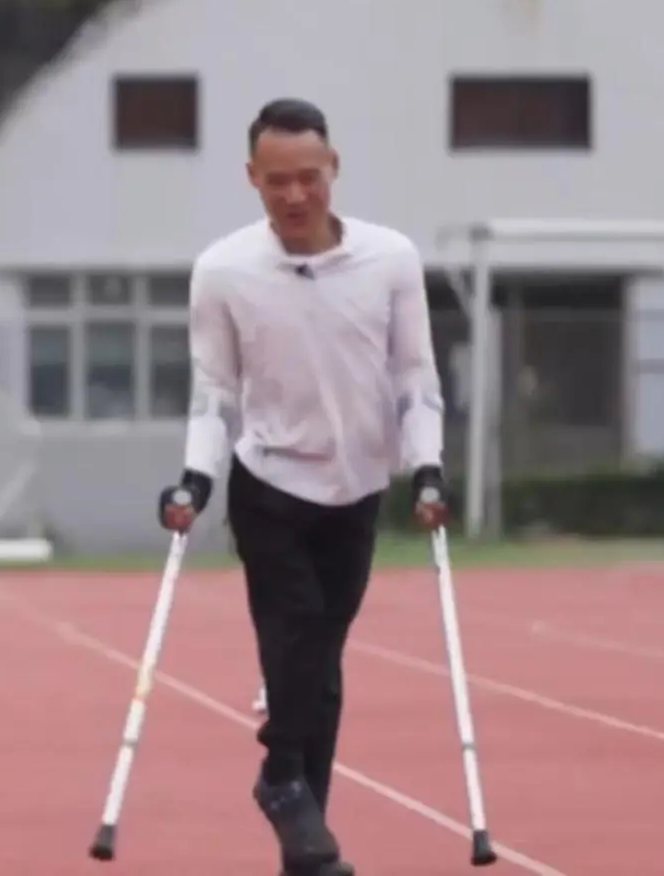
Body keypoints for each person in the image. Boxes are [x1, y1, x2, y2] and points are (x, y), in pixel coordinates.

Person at [155, 98, 448, 876]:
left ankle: (303, 835)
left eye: (308, 179)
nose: (293, 197)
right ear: (252, 178)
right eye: (276, 181)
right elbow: (213, 389)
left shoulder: (390, 260)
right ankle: (282, 777)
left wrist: (427, 466)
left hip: (358, 491)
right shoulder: (224, 270)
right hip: (271, 485)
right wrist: (195, 477)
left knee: (321, 661)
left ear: (333, 170)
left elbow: (414, 372)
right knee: (298, 634)